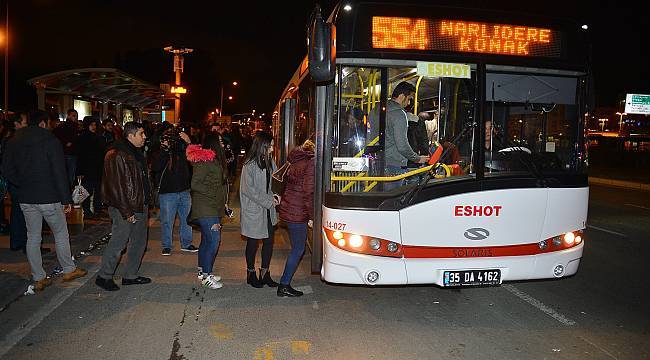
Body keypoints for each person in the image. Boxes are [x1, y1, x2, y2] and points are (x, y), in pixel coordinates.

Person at [1, 110, 87, 291]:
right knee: (61, 233)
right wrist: (66, 199)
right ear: (42, 123)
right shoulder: (50, 140)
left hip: (26, 197)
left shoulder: (14, 140)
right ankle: (68, 269)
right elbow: (59, 171)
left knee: (32, 236)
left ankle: (38, 277)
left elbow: (7, 169)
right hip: (49, 196)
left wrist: (21, 184)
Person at [95, 122, 152, 291]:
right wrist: (126, 211)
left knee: (139, 242)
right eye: (141, 134)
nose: (144, 137)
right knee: (119, 242)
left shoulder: (134, 152)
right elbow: (116, 187)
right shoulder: (116, 154)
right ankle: (104, 276)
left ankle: (130, 275)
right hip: (125, 207)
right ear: (131, 135)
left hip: (139, 204)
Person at [186, 134, 228, 289]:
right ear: (214, 143)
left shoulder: (214, 159)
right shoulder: (205, 160)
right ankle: (206, 275)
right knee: (214, 240)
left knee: (206, 241)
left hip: (212, 207)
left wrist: (222, 202)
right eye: (221, 141)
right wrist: (213, 193)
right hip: (206, 208)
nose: (223, 144)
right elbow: (195, 183)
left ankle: (203, 271)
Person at [240, 131, 279, 288]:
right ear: (262, 145)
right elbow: (249, 190)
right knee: (253, 242)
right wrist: (269, 200)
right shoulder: (249, 164)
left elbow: (275, 179)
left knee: (269, 241)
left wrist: (277, 194)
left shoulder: (270, 161)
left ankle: (265, 272)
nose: (272, 148)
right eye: (270, 145)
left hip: (267, 209)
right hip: (255, 210)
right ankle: (250, 273)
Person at [277, 139, 315, 297]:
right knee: (298, 250)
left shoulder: (295, 159)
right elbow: (309, 192)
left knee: (298, 248)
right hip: (299, 211)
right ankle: (284, 285)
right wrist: (312, 215)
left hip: (290, 207)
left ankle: (284, 284)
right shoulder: (310, 163)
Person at [151, 128, 196, 256]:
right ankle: (166, 245)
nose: (172, 141)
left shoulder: (183, 149)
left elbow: (196, 158)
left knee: (187, 219)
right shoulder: (160, 150)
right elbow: (155, 167)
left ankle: (186, 243)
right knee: (167, 221)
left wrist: (188, 142)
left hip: (184, 190)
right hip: (168, 192)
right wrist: (165, 149)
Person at [385, 82, 429, 189]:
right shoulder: (400, 114)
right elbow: (402, 145)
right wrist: (418, 158)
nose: (409, 103)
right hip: (396, 163)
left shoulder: (378, 110)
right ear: (402, 96)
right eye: (409, 99)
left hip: (380, 162)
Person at [76, 116, 106, 217]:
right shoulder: (82, 138)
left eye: (94, 125)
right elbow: (80, 156)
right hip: (87, 169)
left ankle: (97, 208)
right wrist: (79, 172)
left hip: (97, 168)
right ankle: (87, 210)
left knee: (97, 190)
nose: (93, 127)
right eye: (91, 125)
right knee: (87, 191)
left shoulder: (98, 137)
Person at [53, 109, 80, 189]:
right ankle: (68, 191)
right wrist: (68, 142)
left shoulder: (63, 126)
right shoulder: (72, 126)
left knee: (65, 173)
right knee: (71, 174)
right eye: (73, 116)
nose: (75, 118)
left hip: (65, 153)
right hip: (71, 153)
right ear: (68, 115)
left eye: (76, 116)